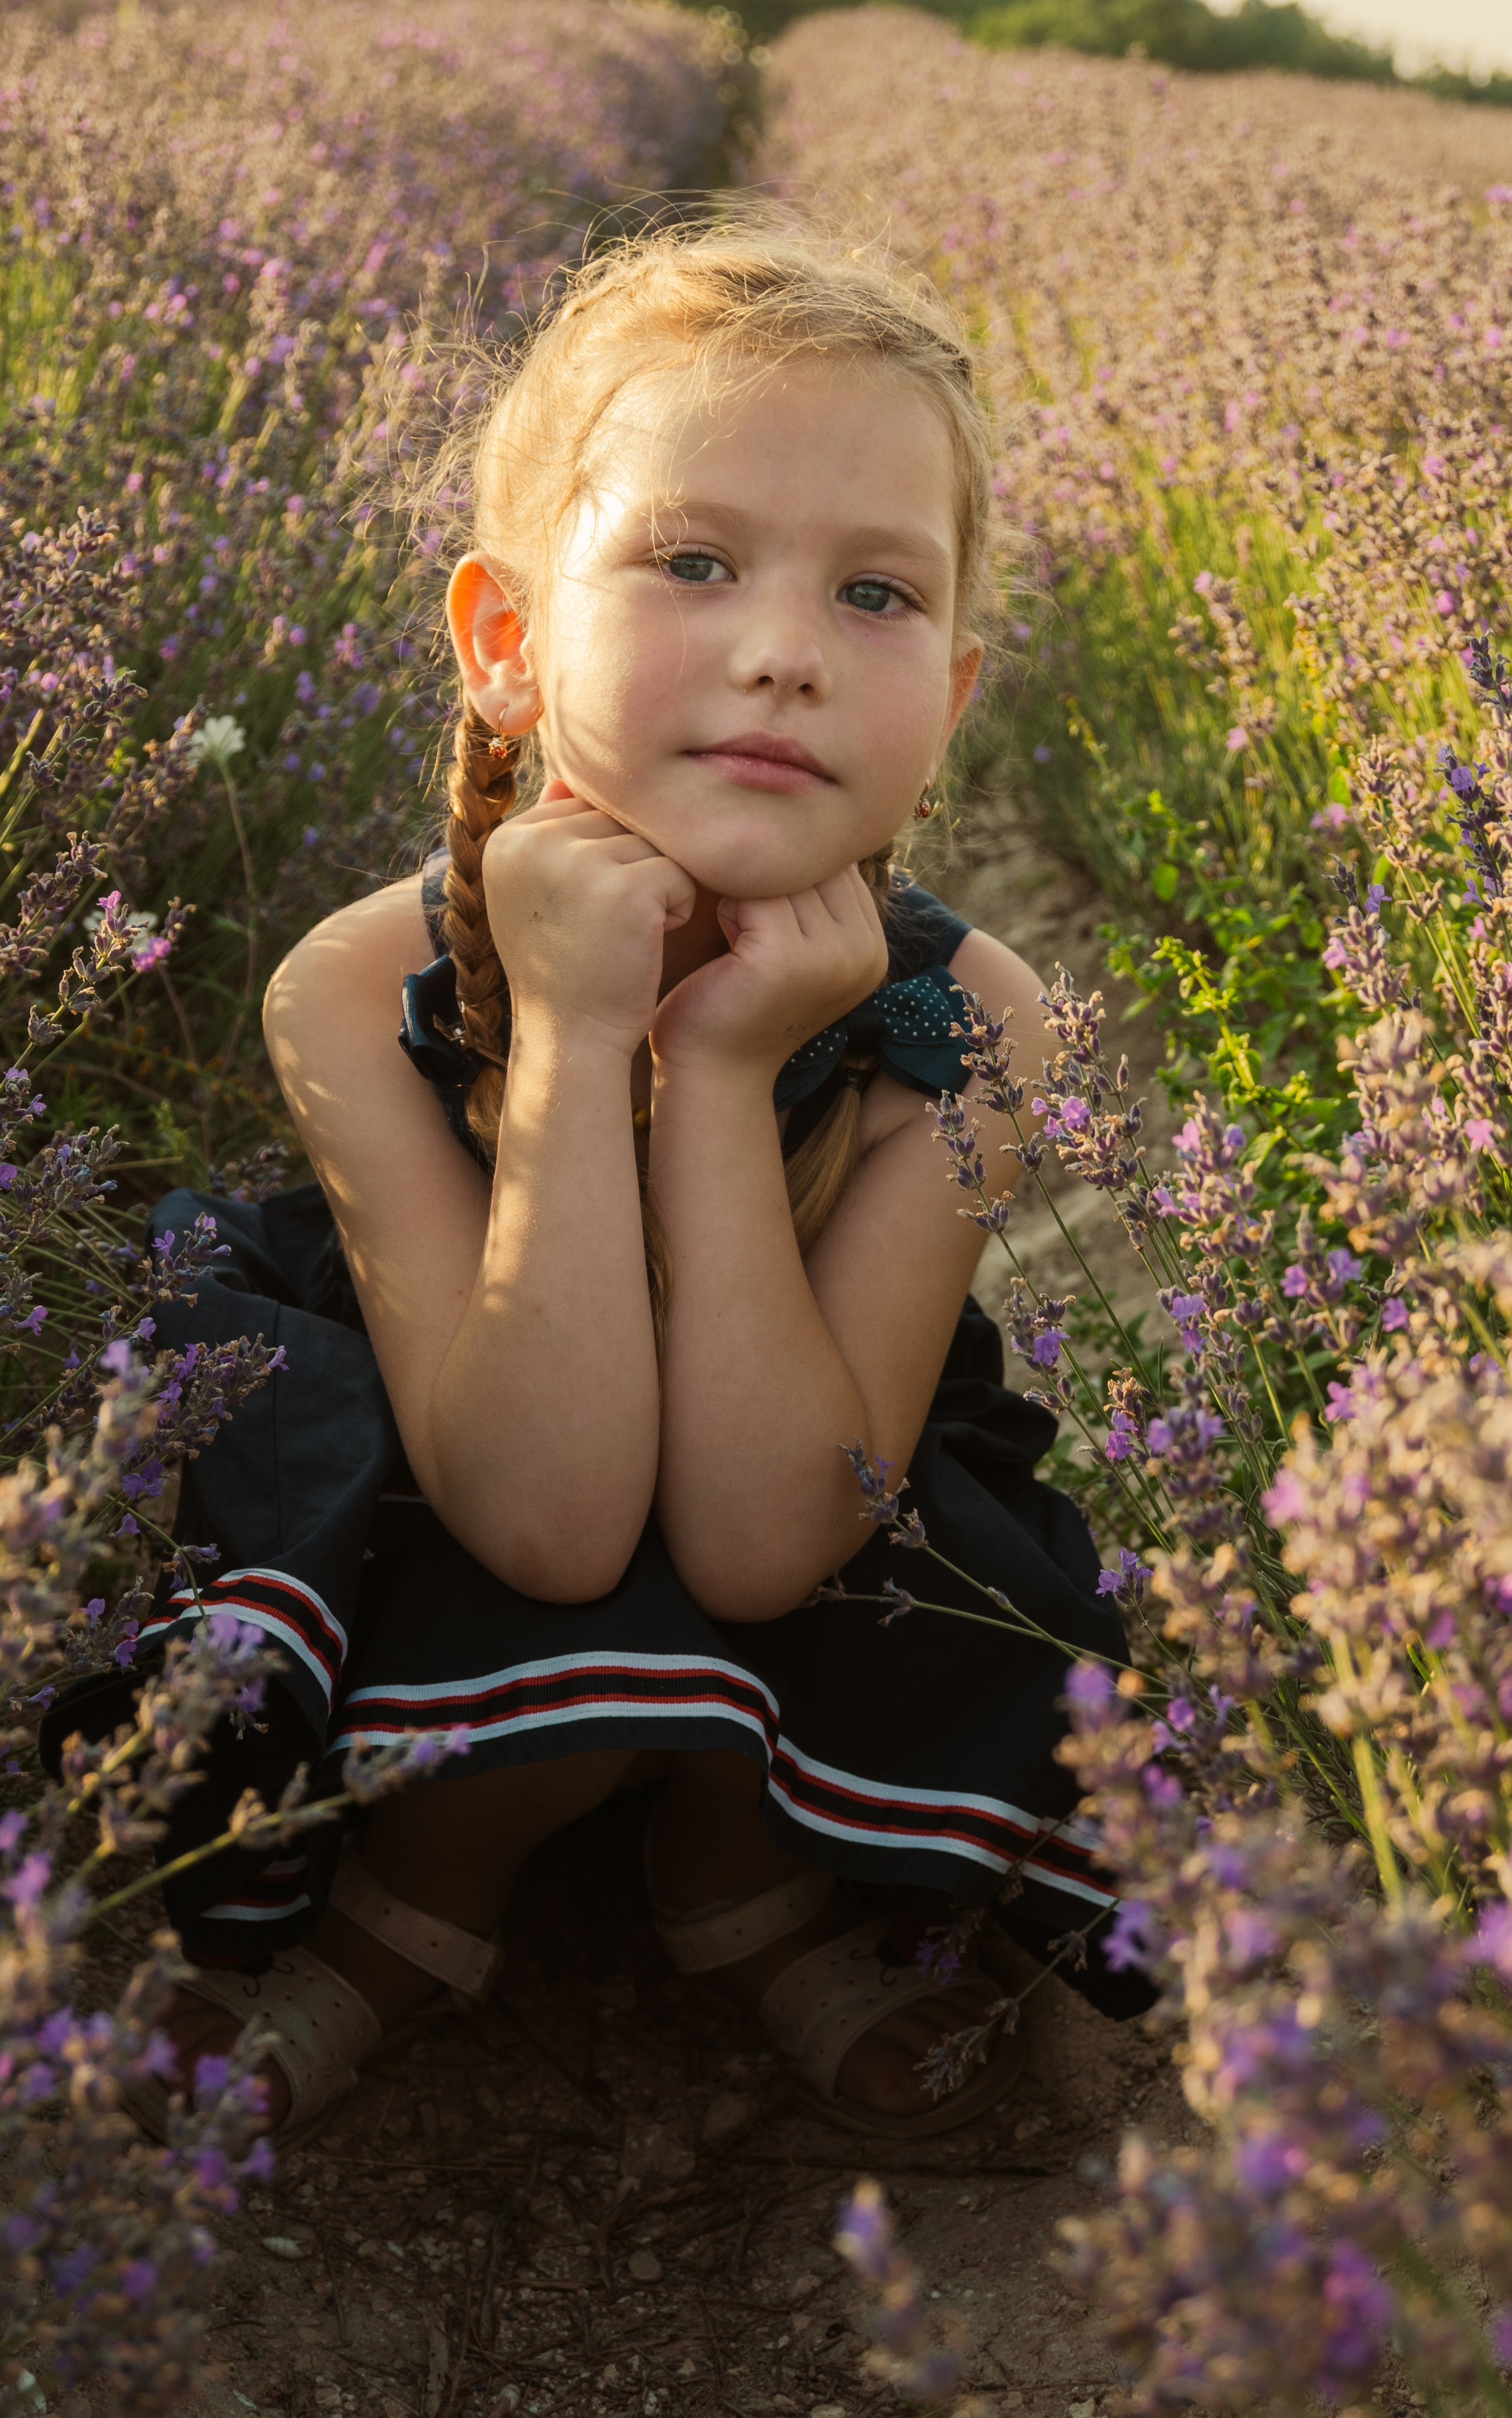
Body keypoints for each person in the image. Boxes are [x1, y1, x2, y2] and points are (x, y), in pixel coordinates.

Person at [52, 221, 1141, 2153]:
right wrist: (566, 1033)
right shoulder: (348, 984)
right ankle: (413, 1907)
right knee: (348, 1513)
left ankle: (738, 1886)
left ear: (953, 695)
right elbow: (548, 1514)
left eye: (875, 595)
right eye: (692, 561)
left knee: (936, 1581)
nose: (785, 648)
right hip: (467, 1488)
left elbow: (760, 1540)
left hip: (787, 1485)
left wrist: (719, 1070)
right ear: (508, 642)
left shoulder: (977, 1020)